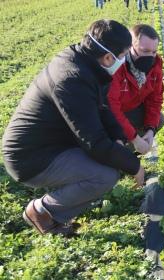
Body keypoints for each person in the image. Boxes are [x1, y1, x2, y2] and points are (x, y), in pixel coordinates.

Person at [2, 20, 145, 236]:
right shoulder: (72, 79)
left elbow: (103, 106)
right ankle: (41, 210)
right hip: (30, 158)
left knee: (111, 160)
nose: (124, 60)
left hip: (55, 143)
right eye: (124, 55)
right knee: (105, 175)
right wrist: (135, 167)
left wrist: (118, 138)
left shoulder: (87, 63)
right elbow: (94, 143)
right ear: (109, 57)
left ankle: (59, 208)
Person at [108, 24, 164, 155]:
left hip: (130, 109)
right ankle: (115, 158)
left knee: (159, 120)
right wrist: (134, 137)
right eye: (145, 51)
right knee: (115, 135)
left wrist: (150, 130)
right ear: (130, 47)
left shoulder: (156, 65)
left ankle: (126, 158)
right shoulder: (116, 66)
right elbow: (112, 107)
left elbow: (155, 100)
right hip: (107, 115)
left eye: (154, 52)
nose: (150, 56)